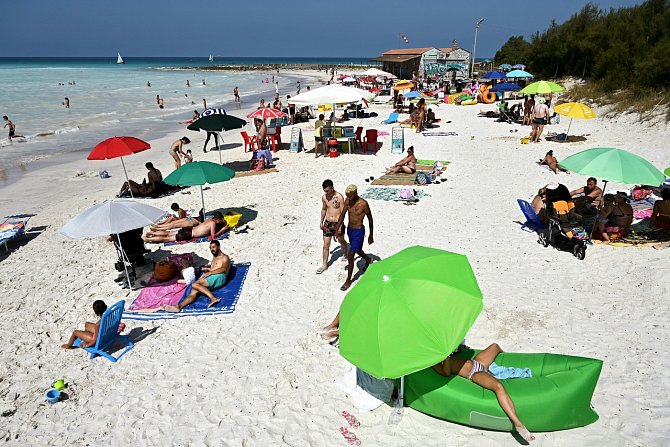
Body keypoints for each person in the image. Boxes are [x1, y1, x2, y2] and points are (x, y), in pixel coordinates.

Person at [433, 343, 535, 442]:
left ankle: (505, 360)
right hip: (474, 373)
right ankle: (518, 423)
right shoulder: (434, 362)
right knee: (498, 386)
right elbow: (445, 373)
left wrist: (457, 350)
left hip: (478, 363)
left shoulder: (444, 347)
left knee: (495, 346)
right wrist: (446, 359)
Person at [166, 241, 230, 311]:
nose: (212, 249)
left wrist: (210, 273)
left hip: (220, 277)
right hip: (213, 277)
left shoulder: (224, 257)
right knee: (194, 292)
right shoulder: (214, 258)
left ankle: (213, 298)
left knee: (194, 284)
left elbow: (223, 269)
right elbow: (214, 267)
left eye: (214, 247)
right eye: (210, 248)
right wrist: (204, 269)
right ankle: (179, 306)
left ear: (219, 246)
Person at [335, 185, 373, 291]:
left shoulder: (363, 204)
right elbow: (342, 215)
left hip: (359, 231)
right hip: (350, 230)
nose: (349, 199)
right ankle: (368, 259)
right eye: (348, 196)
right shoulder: (348, 201)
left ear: (356, 194)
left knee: (351, 254)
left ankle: (348, 281)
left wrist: (371, 235)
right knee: (356, 249)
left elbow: (370, 220)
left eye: (351, 196)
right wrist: (337, 229)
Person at [318, 179, 349, 274]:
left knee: (341, 240)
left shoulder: (339, 197)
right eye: (325, 191)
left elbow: (342, 212)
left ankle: (346, 253)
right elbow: (324, 209)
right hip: (328, 223)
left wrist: (339, 227)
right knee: (326, 244)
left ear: (332, 188)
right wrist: (321, 221)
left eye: (328, 191)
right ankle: (325, 265)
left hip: (337, 223)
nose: (326, 193)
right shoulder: (324, 197)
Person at [143, 212, 229, 243]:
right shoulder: (213, 224)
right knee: (167, 238)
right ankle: (147, 239)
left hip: (188, 229)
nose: (221, 221)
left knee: (168, 233)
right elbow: (213, 236)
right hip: (188, 233)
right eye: (221, 220)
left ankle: (151, 233)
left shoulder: (209, 219)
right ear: (217, 219)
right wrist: (222, 229)